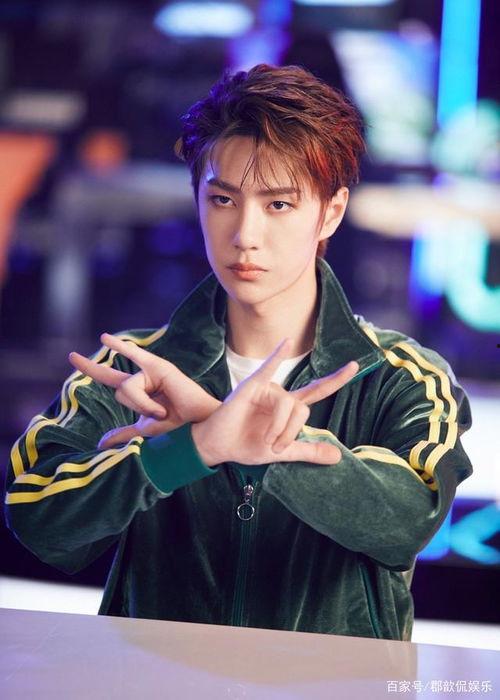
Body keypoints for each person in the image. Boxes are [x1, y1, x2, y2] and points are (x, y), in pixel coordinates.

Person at [4, 64, 473, 641]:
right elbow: (37, 518)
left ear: (330, 212)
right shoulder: (130, 369)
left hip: (335, 684)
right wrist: (192, 448)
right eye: (223, 199)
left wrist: (232, 433)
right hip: (153, 680)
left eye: (278, 205)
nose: (245, 235)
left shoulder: (402, 377)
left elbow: (409, 522)